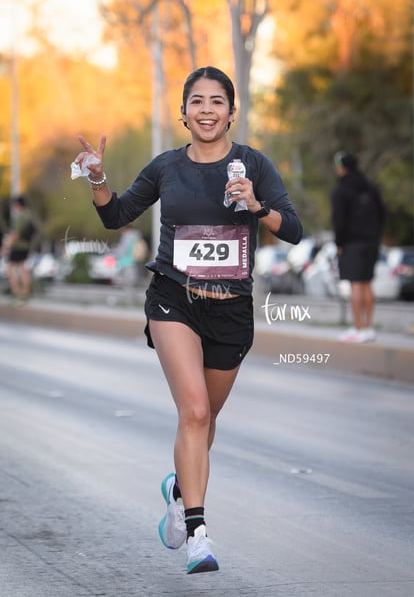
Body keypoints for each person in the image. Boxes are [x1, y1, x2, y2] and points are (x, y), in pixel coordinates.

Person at [73, 66, 303, 574]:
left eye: (216, 101)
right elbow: (116, 216)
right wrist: (97, 178)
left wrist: (257, 206)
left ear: (230, 111)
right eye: (196, 101)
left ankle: (179, 489)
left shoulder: (254, 166)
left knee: (205, 420)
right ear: (184, 113)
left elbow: (294, 231)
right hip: (174, 298)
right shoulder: (165, 167)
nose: (206, 110)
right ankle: (198, 533)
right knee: (194, 411)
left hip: (231, 309)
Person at [331, 151, 385, 343]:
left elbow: (339, 220)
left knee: (356, 284)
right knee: (367, 283)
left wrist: (339, 243)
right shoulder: (371, 187)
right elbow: (382, 214)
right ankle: (368, 327)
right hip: (371, 242)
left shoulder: (341, 189)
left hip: (352, 243)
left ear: (342, 167)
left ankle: (358, 328)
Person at [1, 195, 36, 304]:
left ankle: (17, 293)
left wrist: (6, 246)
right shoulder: (28, 215)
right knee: (22, 267)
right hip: (26, 245)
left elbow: (16, 233)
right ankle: (25, 293)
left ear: (18, 205)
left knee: (10, 268)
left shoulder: (21, 216)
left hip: (18, 246)